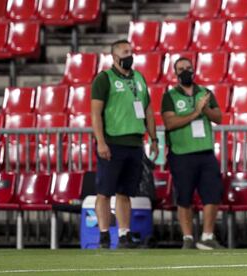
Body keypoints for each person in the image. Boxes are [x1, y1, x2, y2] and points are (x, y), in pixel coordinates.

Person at [91, 39, 159, 249]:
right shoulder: (104, 79)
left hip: (135, 143)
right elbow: (95, 113)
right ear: (114, 56)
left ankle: (123, 234)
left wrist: (154, 138)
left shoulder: (139, 77)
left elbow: (147, 110)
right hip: (112, 142)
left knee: (125, 192)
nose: (129, 55)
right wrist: (101, 142)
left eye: (131, 51)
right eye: (125, 51)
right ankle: (103, 234)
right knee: (104, 191)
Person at [161, 57, 224, 250]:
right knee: (184, 197)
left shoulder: (205, 93)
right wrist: (195, 113)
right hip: (181, 153)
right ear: (175, 73)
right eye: (181, 69)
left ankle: (207, 236)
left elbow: (219, 117)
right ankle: (187, 238)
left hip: (205, 152)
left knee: (212, 195)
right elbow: (169, 123)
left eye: (188, 68)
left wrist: (204, 109)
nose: (186, 71)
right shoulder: (170, 96)